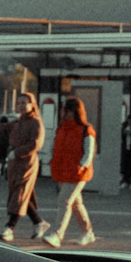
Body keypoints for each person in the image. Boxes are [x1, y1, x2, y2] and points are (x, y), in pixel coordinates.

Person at [0, 92, 46, 242]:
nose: (21, 106)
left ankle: (9, 227)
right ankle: (39, 222)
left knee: (19, 194)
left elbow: (36, 143)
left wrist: (17, 152)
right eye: (19, 103)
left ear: (32, 104)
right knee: (20, 194)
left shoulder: (36, 122)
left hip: (27, 163)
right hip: (15, 163)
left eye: (24, 103)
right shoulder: (17, 122)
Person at [46, 97, 99, 248]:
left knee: (64, 201)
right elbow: (54, 146)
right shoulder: (61, 128)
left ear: (73, 111)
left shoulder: (86, 130)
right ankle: (87, 232)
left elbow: (89, 153)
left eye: (65, 109)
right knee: (76, 203)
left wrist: (82, 166)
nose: (63, 112)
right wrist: (50, 159)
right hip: (63, 171)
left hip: (77, 173)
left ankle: (57, 234)